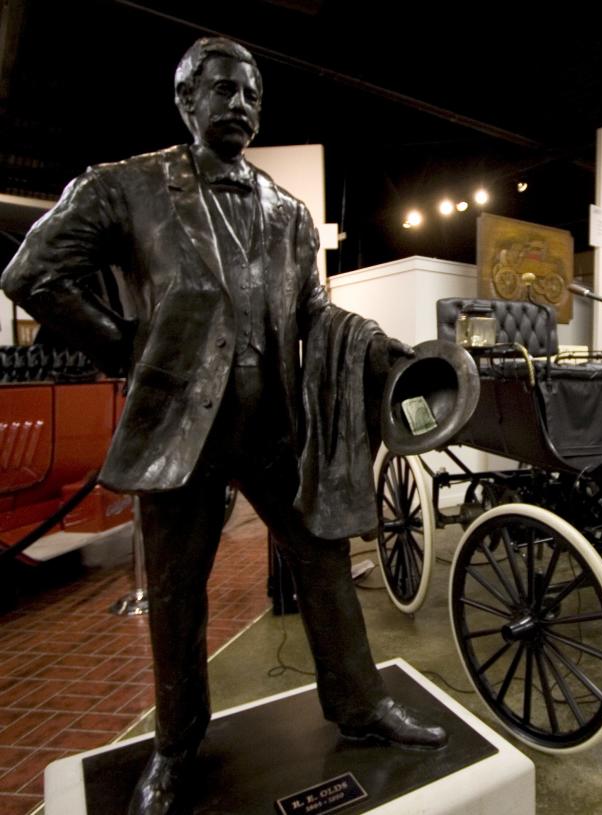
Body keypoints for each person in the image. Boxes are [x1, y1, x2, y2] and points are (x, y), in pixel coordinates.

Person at [1, 36, 446, 815]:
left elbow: (310, 312)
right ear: (186, 100)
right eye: (222, 90)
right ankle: (175, 746)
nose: (238, 104)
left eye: (251, 95)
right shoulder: (126, 187)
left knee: (324, 559)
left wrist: (374, 347)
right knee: (177, 593)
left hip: (274, 426)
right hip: (181, 432)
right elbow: (32, 274)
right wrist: (128, 347)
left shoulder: (291, 214)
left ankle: (360, 706)